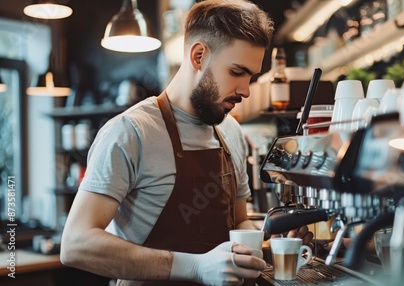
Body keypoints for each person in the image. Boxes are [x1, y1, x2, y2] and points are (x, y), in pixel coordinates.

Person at [61, 1, 313, 285]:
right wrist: (195, 267)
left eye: (250, 77)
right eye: (236, 72)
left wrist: (268, 241)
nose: (245, 90)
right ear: (198, 56)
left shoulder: (230, 131)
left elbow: (238, 222)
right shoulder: (130, 132)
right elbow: (75, 244)